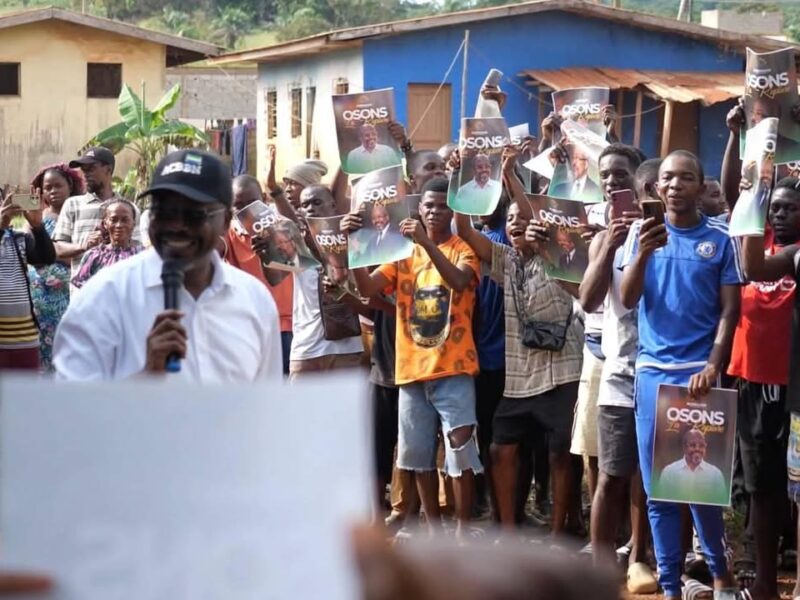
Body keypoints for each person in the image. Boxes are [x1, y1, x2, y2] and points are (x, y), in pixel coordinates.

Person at [620, 150, 742, 598]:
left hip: (700, 378)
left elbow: (731, 310)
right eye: (667, 178)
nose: (674, 185)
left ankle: (720, 576)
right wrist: (644, 253)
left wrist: (714, 364)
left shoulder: (721, 240)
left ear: (699, 184)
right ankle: (670, 587)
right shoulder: (641, 235)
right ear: (655, 188)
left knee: (702, 487)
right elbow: (629, 299)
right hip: (653, 375)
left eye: (685, 178)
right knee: (661, 491)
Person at [53, 149, 282, 382]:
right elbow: (71, 410)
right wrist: (146, 376)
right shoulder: (103, 298)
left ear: (225, 221)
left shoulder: (254, 301)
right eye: (164, 211)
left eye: (194, 214)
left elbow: (265, 408)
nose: (177, 225)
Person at [454, 149, 584, 536]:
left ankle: (561, 532)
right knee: (500, 449)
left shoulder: (560, 254)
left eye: (523, 219)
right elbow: (464, 231)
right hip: (519, 379)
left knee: (561, 453)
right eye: (510, 220)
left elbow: (536, 216)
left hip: (562, 372)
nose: (516, 225)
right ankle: (508, 533)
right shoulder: (506, 260)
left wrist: (510, 175)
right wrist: (462, 178)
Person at [347, 177, 483, 539]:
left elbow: (457, 281)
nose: (435, 211)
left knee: (460, 453)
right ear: (418, 210)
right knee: (417, 456)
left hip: (454, 368)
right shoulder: (401, 253)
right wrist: (354, 246)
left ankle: (461, 531)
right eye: (429, 206)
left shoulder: (463, 249)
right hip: (410, 372)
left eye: (442, 206)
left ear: (452, 211)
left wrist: (424, 242)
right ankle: (434, 533)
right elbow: (365, 289)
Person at [578, 143, 656, 592]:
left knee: (648, 479)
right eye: (605, 176)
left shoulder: (662, 230)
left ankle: (640, 557)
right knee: (610, 475)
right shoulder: (600, 237)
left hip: (661, 372)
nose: (611, 182)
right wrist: (609, 241)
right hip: (619, 375)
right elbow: (588, 299)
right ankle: (601, 568)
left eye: (620, 175)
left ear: (642, 183)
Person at [736, 177, 800, 600]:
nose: (779, 213)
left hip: (793, 386)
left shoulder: (796, 254)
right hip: (755, 383)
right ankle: (763, 581)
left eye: (789, 207)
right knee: (761, 484)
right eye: (773, 206)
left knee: (795, 485)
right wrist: (755, 187)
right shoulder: (761, 245)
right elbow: (751, 267)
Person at [267, 183, 364, 378]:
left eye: (317, 202)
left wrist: (347, 238)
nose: (310, 208)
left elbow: (346, 278)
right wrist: (266, 250)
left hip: (346, 350)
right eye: (305, 205)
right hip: (306, 351)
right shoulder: (296, 244)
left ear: (333, 206)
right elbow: (274, 278)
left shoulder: (352, 237)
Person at [221, 175, 294, 374]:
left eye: (252, 203)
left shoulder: (283, 228)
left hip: (284, 326)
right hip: (244, 326)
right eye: (238, 205)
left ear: (263, 198)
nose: (246, 211)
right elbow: (211, 249)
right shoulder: (229, 233)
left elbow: (279, 277)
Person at [53, 147, 139, 289]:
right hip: (82, 294)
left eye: (91, 168)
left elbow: (138, 249)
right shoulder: (73, 205)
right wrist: (84, 246)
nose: (85, 174)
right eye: (83, 170)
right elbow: (57, 249)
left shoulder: (128, 209)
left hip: (121, 294)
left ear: (108, 170)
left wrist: (117, 242)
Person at [27, 163, 84, 372]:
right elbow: (29, 251)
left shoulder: (78, 213)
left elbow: (83, 255)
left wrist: (51, 254)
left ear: (69, 185)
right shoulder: (35, 217)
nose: (52, 192)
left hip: (66, 296)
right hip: (39, 296)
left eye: (57, 186)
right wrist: (53, 252)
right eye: (47, 187)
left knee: (66, 342)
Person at [0, 192, 55, 370]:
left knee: (24, 396)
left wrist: (37, 226)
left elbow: (46, 257)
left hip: (24, 339)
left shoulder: (18, 238)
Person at [71, 199, 143, 289]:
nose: (119, 225)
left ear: (133, 223)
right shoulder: (94, 255)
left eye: (125, 220)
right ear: (105, 223)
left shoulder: (142, 256)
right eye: (114, 220)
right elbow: (83, 288)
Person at [656, 429, 727, 505]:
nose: (697, 449)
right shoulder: (669, 472)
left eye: (702, 446)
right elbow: (662, 502)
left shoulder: (715, 474)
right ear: (684, 447)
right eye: (693, 445)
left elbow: (721, 503)